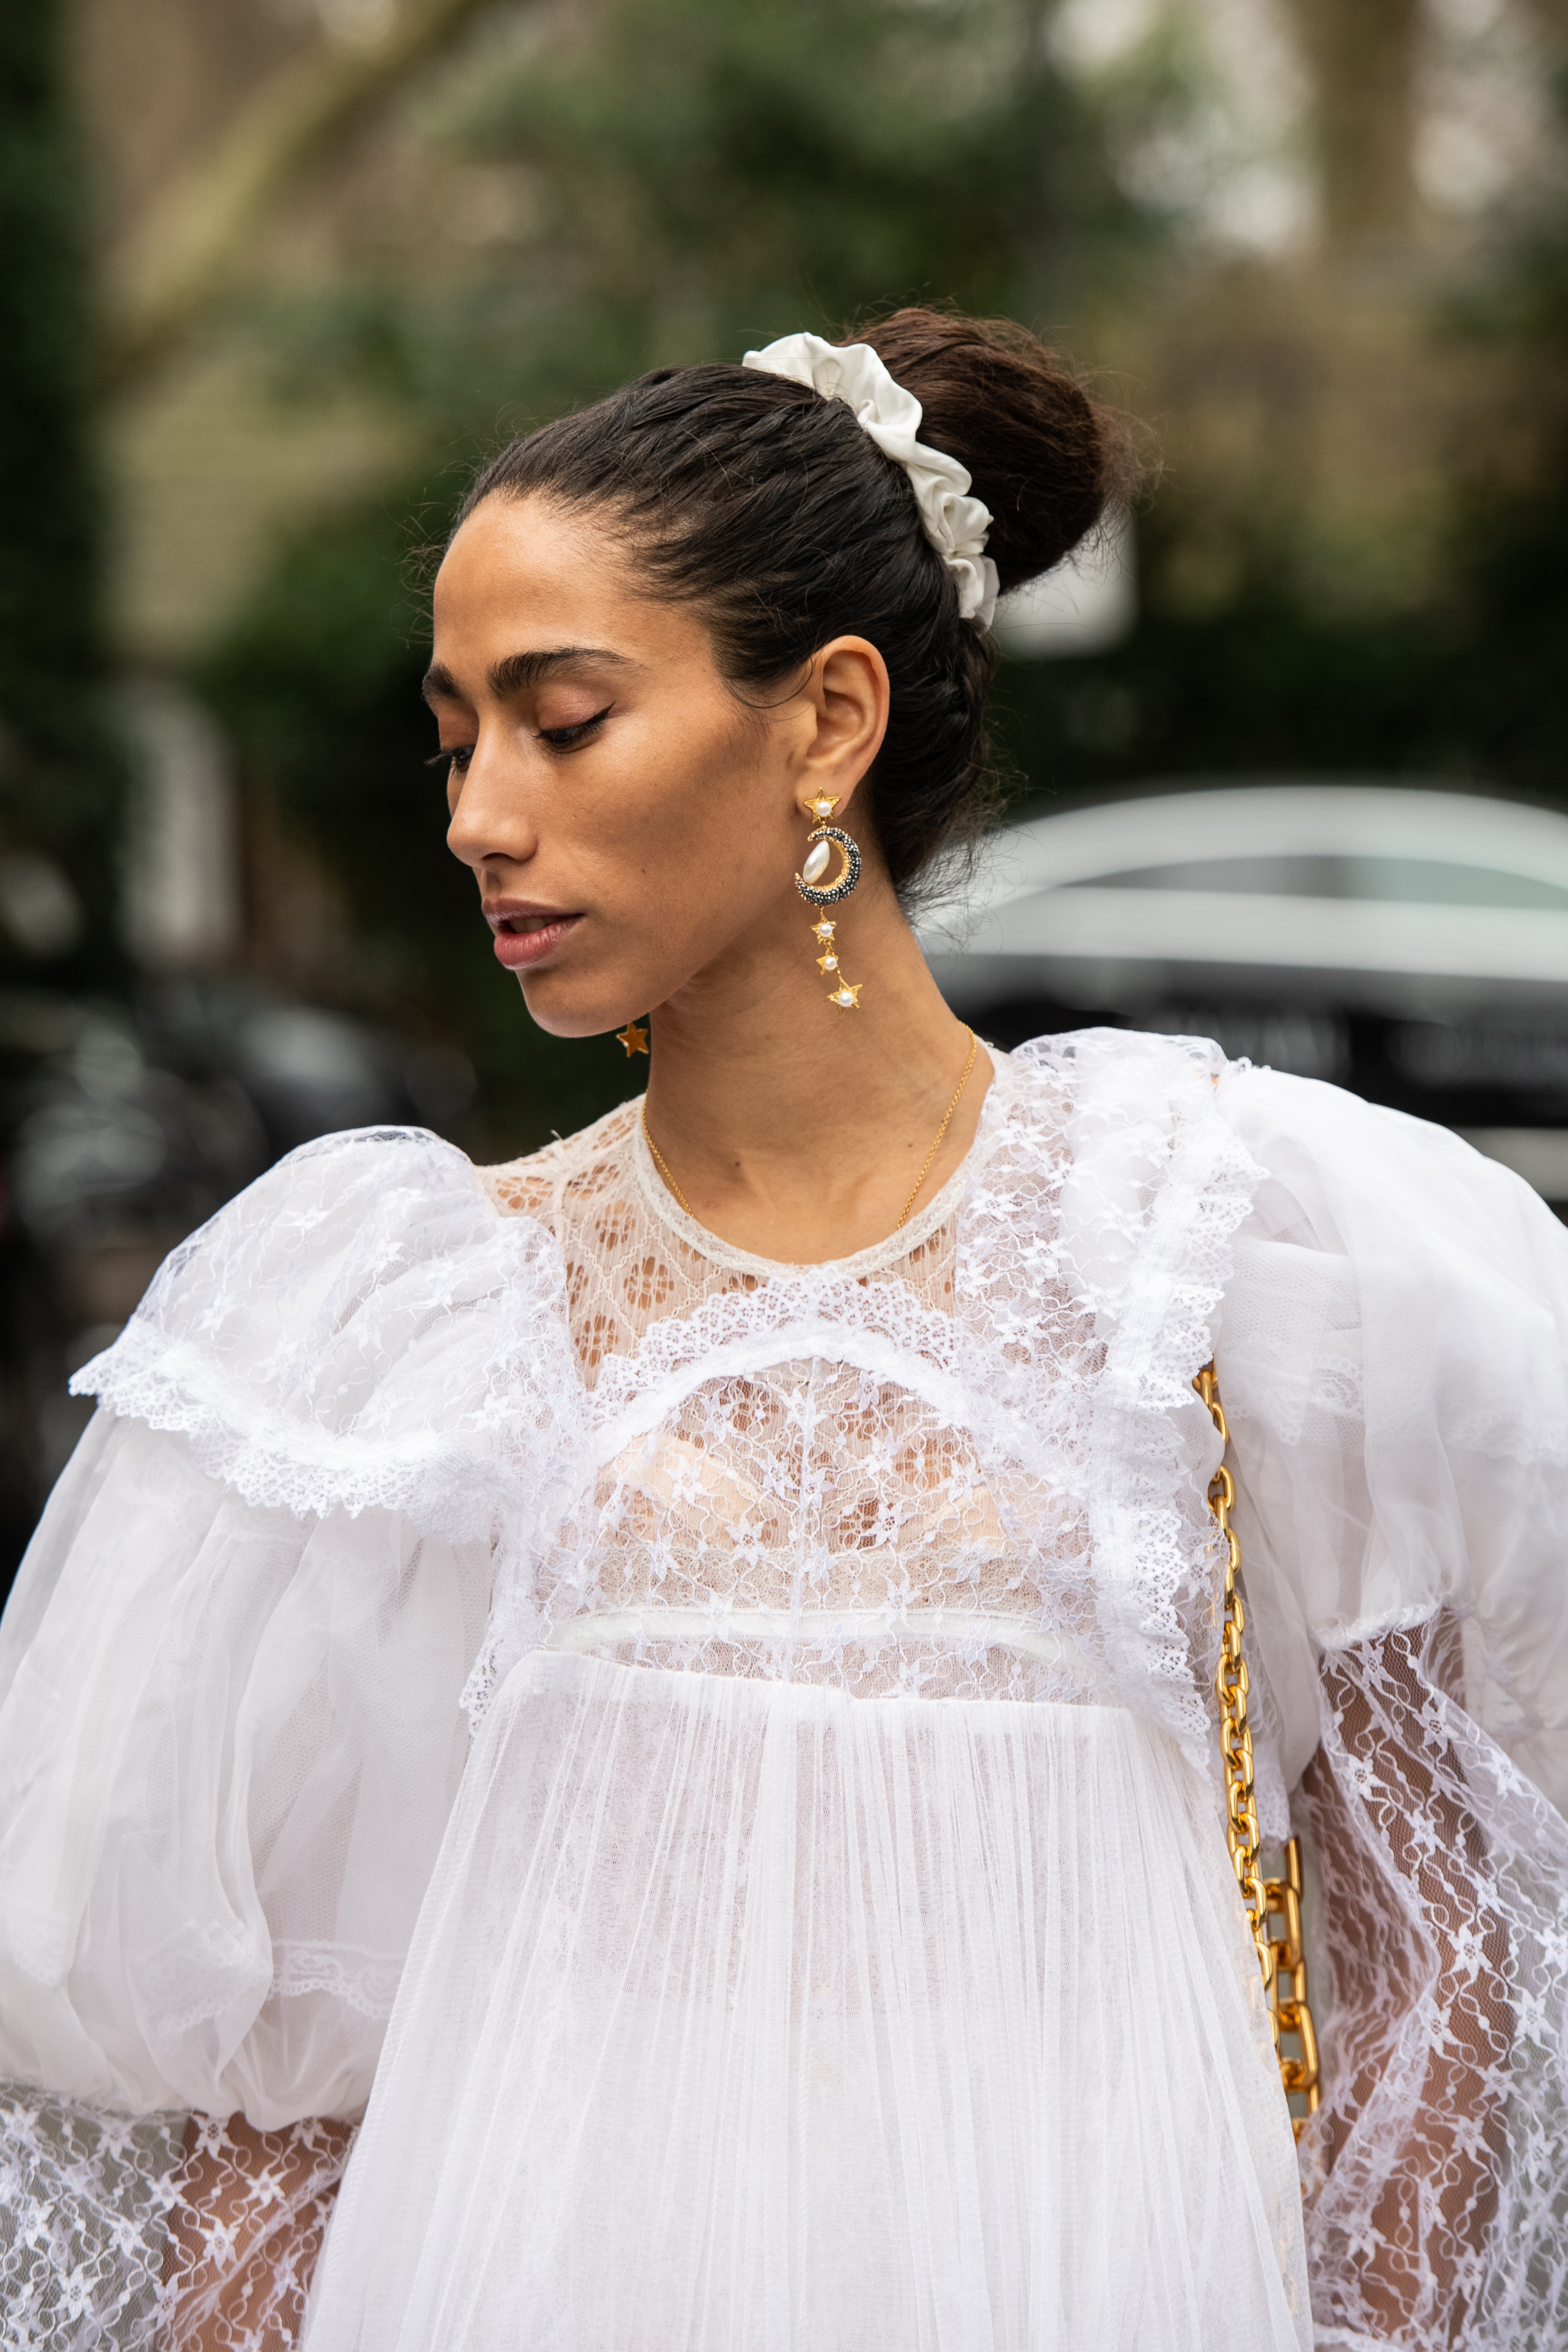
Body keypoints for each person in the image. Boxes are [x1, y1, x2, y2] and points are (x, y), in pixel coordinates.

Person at [1, 307, 1566, 2352]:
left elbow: (1445, 1951)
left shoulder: (1232, 1244)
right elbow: (288, 2103)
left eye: (561, 722)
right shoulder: (401, 1331)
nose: (479, 812)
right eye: (456, 733)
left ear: (826, 721)